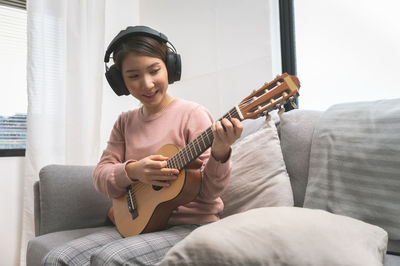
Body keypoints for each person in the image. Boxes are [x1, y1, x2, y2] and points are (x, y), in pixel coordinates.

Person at [42, 25, 242, 266]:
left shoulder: (193, 115)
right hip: (136, 223)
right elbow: (101, 176)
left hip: (190, 226)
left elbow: (211, 192)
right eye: (134, 76)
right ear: (120, 82)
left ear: (169, 66)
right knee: (56, 258)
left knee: (109, 259)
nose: (146, 84)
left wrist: (220, 153)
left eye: (154, 70)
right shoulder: (125, 122)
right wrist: (133, 171)